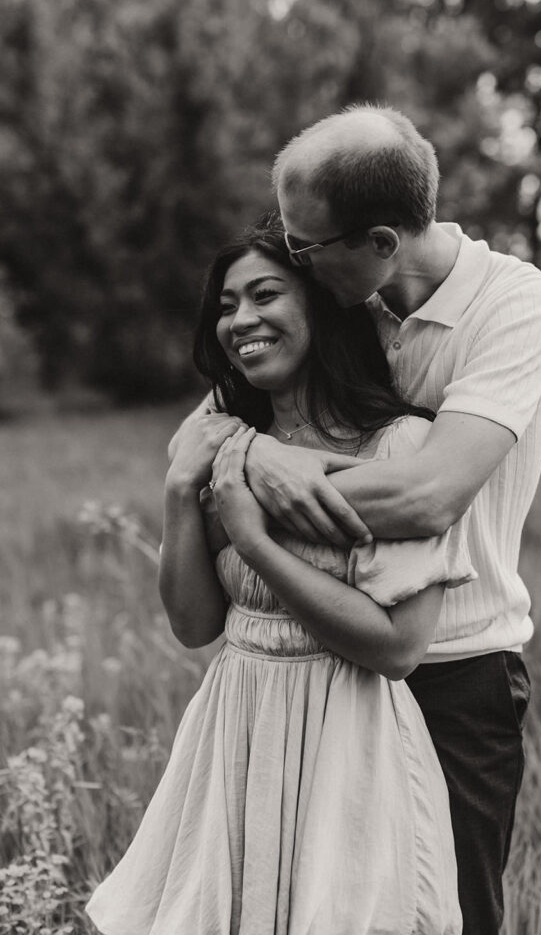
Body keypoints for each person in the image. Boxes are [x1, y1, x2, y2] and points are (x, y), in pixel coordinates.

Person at [173, 104, 541, 933]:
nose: (294, 260)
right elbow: (211, 432)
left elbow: (428, 493)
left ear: (380, 243)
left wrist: (254, 483)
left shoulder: (516, 305)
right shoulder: (340, 300)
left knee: (446, 911)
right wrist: (243, 451)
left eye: (306, 248)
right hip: (316, 674)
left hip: (454, 668)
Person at [86, 220, 476, 935]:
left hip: (345, 736)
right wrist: (180, 492)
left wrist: (254, 540)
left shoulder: (397, 446)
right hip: (235, 723)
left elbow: (396, 649)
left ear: (323, 307)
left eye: (264, 295)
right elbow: (194, 625)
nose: (241, 321)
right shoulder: (230, 440)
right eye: (227, 306)